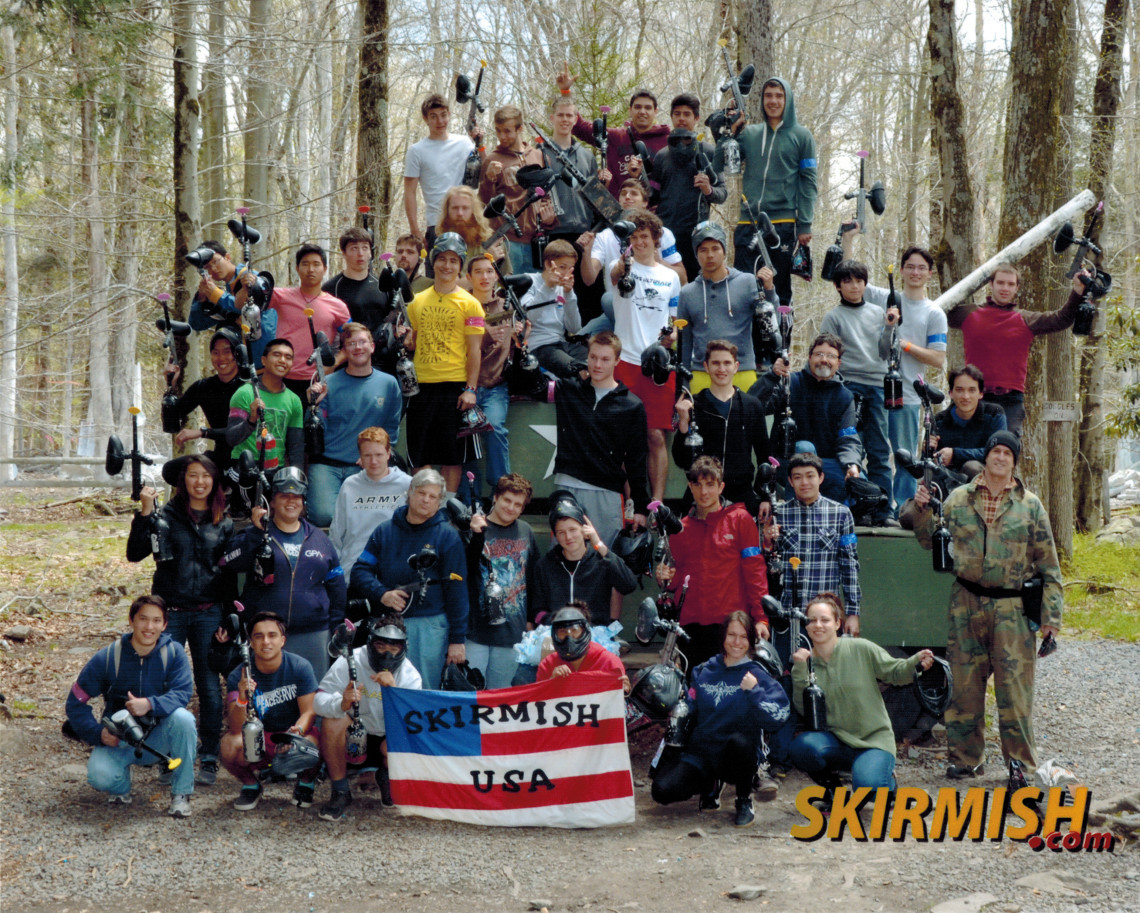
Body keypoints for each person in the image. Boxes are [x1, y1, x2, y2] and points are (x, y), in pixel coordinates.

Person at [912, 431, 1062, 779]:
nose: (1000, 457)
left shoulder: (1030, 505)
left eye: (1007, 453)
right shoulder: (957, 499)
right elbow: (927, 538)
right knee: (964, 688)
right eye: (995, 450)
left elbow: (1050, 567)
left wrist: (1051, 618)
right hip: (966, 603)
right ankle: (966, 759)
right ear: (987, 455)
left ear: (1014, 461)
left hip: (1012, 609)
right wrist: (920, 508)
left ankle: (1020, 766)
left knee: (1015, 692)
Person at [126, 455, 232, 786]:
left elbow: (229, 575)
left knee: (210, 686)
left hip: (208, 612)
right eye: (192, 475)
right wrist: (145, 512)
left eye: (206, 476)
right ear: (182, 481)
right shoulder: (164, 516)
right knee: (161, 684)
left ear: (214, 481)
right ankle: (164, 753)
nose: (199, 482)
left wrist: (229, 617)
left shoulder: (224, 522)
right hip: (170, 613)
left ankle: (210, 756)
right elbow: (135, 553)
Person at [650, 611, 790, 827]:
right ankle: (710, 785)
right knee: (662, 791)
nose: (737, 642)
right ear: (723, 637)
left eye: (743, 637)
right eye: (732, 635)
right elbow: (689, 708)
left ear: (752, 641)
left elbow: (778, 717)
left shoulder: (758, 674)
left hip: (735, 757)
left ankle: (743, 799)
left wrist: (755, 692)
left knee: (741, 741)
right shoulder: (704, 670)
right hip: (702, 754)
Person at [788, 593, 933, 801]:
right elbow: (805, 711)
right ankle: (834, 791)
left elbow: (895, 672)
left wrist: (915, 662)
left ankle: (887, 784)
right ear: (806, 625)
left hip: (873, 742)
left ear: (838, 623)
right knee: (802, 747)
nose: (818, 625)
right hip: (837, 742)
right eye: (812, 620)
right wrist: (800, 670)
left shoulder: (860, 648)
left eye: (825, 620)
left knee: (869, 790)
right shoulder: (805, 663)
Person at [65, 595, 197, 817]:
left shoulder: (173, 653)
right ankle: (120, 788)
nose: (149, 627)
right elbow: (75, 703)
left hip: (160, 738)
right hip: (121, 739)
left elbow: (182, 693)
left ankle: (181, 794)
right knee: (99, 776)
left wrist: (150, 704)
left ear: (164, 624)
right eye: (143, 619)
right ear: (131, 620)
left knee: (184, 719)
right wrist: (99, 734)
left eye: (156, 621)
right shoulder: (108, 657)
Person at [217, 467, 346, 677]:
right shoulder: (256, 533)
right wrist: (256, 533)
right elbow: (228, 562)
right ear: (272, 501)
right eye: (284, 496)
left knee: (313, 699)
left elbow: (336, 584)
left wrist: (335, 626)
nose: (291, 501)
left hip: (313, 634)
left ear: (304, 502)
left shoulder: (319, 539)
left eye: (296, 497)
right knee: (270, 699)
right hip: (266, 636)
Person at [850, 240, 948, 509]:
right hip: (873, 392)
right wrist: (849, 238)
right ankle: (874, 504)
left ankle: (904, 508)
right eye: (910, 267)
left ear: (929, 273)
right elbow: (849, 276)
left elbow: (938, 359)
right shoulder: (885, 298)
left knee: (904, 457)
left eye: (921, 268)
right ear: (902, 271)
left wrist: (904, 345)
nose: (915, 272)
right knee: (865, 452)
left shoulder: (934, 313)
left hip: (907, 396)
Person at [349, 468, 469, 688]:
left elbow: (457, 591)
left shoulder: (448, 536)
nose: (426, 500)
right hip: (387, 624)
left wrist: (457, 639)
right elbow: (360, 571)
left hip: (430, 627)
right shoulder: (384, 531)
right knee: (381, 687)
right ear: (410, 493)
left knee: (424, 690)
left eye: (433, 496)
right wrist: (382, 594)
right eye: (421, 493)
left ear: (439, 501)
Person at [655, 456, 770, 668]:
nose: (704, 492)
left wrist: (761, 618)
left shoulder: (740, 519)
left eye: (710, 484)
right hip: (690, 626)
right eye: (697, 485)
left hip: (730, 626)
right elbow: (674, 582)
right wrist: (665, 576)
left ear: (721, 486)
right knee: (696, 692)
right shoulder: (680, 529)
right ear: (690, 486)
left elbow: (755, 572)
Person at [946, 264, 1086, 435]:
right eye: (1001, 283)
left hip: (1010, 401)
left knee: (1005, 453)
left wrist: (1078, 290)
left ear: (1017, 288)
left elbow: (1061, 319)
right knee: (967, 454)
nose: (1005, 288)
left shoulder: (1025, 319)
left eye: (1011, 284)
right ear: (991, 284)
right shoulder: (969, 314)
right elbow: (938, 311)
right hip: (973, 397)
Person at [719, 77, 817, 311]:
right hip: (748, 222)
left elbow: (809, 181)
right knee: (743, 286)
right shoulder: (749, 134)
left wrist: (804, 223)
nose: (773, 101)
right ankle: (742, 346)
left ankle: (781, 345)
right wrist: (729, 133)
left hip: (782, 224)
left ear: (788, 99)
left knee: (778, 288)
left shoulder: (802, 136)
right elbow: (722, 165)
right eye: (768, 95)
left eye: (779, 96)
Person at [315, 614, 422, 820]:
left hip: (385, 739)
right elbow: (318, 702)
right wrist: (341, 703)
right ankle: (340, 790)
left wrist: (395, 693)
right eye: (381, 646)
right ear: (371, 643)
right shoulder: (349, 661)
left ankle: (384, 777)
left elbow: (413, 723)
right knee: (332, 719)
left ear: (403, 648)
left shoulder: (410, 675)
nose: (387, 654)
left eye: (394, 648)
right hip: (354, 738)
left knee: (396, 746)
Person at [402, 232, 485, 495]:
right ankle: (424, 504)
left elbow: (475, 350)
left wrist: (470, 388)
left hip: (455, 387)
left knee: (453, 456)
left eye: (453, 260)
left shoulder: (471, 304)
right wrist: (406, 340)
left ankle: (448, 506)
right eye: (441, 259)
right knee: (420, 452)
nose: (446, 266)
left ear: (460, 266)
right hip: (421, 387)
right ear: (433, 262)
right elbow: (413, 343)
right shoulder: (416, 301)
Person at [550, 331, 651, 548]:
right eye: (593, 357)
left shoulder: (632, 405)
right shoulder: (570, 389)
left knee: (602, 560)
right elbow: (529, 382)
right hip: (567, 486)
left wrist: (641, 507)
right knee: (561, 557)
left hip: (606, 492)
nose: (597, 364)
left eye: (605, 359)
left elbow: (636, 460)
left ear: (617, 361)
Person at [610, 208, 682, 502]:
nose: (640, 242)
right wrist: (622, 261)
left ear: (656, 241)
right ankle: (631, 502)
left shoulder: (671, 277)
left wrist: (671, 336)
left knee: (655, 436)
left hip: (657, 365)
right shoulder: (622, 268)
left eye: (645, 237)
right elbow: (616, 274)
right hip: (625, 360)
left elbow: (675, 323)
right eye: (635, 237)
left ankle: (658, 503)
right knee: (626, 439)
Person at [819, 258, 895, 524]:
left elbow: (885, 352)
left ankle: (884, 511)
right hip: (846, 388)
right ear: (838, 286)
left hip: (876, 386)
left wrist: (889, 327)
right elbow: (827, 355)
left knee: (879, 451)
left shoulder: (877, 312)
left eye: (859, 281)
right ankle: (856, 510)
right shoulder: (834, 316)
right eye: (847, 281)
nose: (854, 286)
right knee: (851, 449)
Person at [221, 611, 320, 811]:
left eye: (272, 635)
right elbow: (234, 728)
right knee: (228, 746)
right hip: (259, 738)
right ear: (251, 642)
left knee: (315, 743)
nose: (266, 642)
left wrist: (295, 734)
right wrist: (241, 698)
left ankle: (306, 783)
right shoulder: (239, 674)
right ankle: (251, 785)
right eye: (259, 636)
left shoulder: (300, 667)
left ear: (282, 640)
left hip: (293, 733)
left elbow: (309, 712)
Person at [305, 323, 402, 527]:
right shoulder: (327, 383)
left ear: (372, 346)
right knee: (324, 517)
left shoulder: (389, 383)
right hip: (328, 464)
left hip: (366, 465)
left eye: (362, 342)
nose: (358, 348)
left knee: (370, 518)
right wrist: (313, 403)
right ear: (345, 350)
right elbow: (314, 428)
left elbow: (391, 427)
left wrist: (374, 456)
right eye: (351, 343)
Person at [750, 333, 863, 504]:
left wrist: (852, 465)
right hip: (784, 463)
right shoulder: (790, 382)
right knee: (804, 448)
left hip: (824, 466)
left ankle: (838, 521)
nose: (824, 359)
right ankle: (795, 512)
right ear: (809, 358)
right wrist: (772, 376)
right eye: (819, 354)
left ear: (838, 363)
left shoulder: (845, 397)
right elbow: (753, 407)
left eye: (831, 356)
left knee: (858, 477)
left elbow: (848, 438)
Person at [763, 452, 861, 638]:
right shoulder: (778, 514)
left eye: (810, 476)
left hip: (825, 617)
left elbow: (850, 567)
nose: (804, 482)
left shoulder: (841, 514)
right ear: (790, 482)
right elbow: (765, 569)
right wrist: (767, 543)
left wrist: (853, 613)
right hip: (787, 614)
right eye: (798, 477)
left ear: (821, 478)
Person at [672, 341, 771, 516]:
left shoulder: (751, 405)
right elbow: (681, 460)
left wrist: (765, 497)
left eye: (727, 363)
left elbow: (765, 455)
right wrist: (684, 423)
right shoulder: (693, 405)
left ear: (736, 367)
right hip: (702, 492)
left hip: (741, 493)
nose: (721, 369)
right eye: (716, 363)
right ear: (706, 367)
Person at [463, 473, 540, 690]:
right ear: (496, 497)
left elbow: (533, 577)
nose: (511, 507)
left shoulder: (526, 531)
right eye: (507, 500)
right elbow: (463, 570)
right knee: (472, 692)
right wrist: (475, 536)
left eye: (518, 504)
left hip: (511, 632)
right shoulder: (475, 527)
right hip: (476, 630)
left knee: (501, 696)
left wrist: (531, 620)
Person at [676, 222, 769, 393]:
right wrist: (684, 382)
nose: (709, 255)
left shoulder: (747, 282)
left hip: (742, 371)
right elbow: (685, 341)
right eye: (703, 250)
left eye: (715, 248)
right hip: (701, 373)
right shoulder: (687, 293)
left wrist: (769, 289)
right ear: (696, 254)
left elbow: (771, 320)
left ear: (724, 251)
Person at [542, 94, 611, 317]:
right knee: (557, 289)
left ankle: (586, 339)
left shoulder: (587, 156)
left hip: (584, 233)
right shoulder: (541, 153)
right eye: (560, 115)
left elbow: (594, 199)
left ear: (575, 119)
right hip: (556, 233)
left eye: (569, 115)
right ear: (552, 118)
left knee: (588, 290)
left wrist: (602, 184)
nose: (565, 119)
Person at [557, 64, 671, 197]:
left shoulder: (666, 141)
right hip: (616, 210)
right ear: (630, 110)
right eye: (638, 107)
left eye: (648, 108)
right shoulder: (615, 137)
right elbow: (579, 126)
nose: (642, 112)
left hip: (651, 212)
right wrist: (566, 93)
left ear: (655, 111)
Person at [464, 254, 524, 498]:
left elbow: (520, 343)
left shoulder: (507, 307)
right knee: (465, 437)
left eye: (489, 272)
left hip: (495, 385)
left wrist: (520, 333)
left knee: (495, 427)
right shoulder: (463, 305)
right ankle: (468, 497)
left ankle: (501, 489)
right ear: (469, 277)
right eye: (478, 272)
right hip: (466, 386)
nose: (485, 277)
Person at [531, 491, 638, 626]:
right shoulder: (545, 565)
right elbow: (537, 611)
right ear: (555, 536)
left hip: (595, 635)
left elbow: (628, 585)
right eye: (561, 532)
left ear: (584, 530)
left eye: (573, 530)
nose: (568, 537)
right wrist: (557, 620)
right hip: (558, 635)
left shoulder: (601, 561)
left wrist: (599, 545)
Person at [652, 96, 727, 281]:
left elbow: (722, 193)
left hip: (697, 234)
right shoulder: (662, 156)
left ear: (696, 119)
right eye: (677, 114)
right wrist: (638, 177)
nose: (682, 119)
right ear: (671, 117)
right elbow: (652, 196)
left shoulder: (708, 152)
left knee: (697, 285)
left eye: (687, 114)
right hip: (666, 234)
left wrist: (708, 189)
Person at [267, 243, 351, 400]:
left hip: (316, 380)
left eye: (316, 264)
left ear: (325, 269)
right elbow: (249, 301)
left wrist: (333, 363)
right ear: (297, 268)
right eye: (305, 264)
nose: (310, 269)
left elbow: (351, 340)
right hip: (281, 376)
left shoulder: (337, 306)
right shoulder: (280, 297)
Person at [478, 105, 555, 272]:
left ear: (520, 129)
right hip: (507, 240)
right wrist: (489, 179)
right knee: (509, 293)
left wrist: (550, 220)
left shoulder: (539, 157)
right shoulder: (492, 159)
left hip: (536, 242)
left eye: (507, 131)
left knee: (535, 294)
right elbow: (484, 203)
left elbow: (547, 197)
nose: (501, 136)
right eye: (498, 131)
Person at [329, 427, 411, 580]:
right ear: (360, 457)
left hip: (392, 570)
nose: (373, 462)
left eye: (379, 455)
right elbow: (336, 534)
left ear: (388, 454)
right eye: (367, 455)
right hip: (353, 568)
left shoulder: (407, 485)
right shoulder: (350, 485)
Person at [404, 93, 478, 259]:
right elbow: (409, 191)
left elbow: (481, 173)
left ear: (449, 115)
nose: (440, 121)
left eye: (444, 115)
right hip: (437, 225)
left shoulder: (465, 143)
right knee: (438, 277)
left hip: (466, 221)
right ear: (426, 119)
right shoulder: (417, 151)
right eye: (434, 117)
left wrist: (479, 142)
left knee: (471, 276)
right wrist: (414, 229)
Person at [164, 327, 245, 478]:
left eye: (227, 351)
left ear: (237, 354)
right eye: (215, 352)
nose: (221, 358)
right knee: (171, 470)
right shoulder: (205, 387)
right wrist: (171, 385)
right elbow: (171, 422)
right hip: (219, 458)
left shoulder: (247, 387)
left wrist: (202, 432)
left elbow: (241, 431)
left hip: (244, 458)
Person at [225, 337, 305, 472]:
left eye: (288, 357)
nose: (282, 360)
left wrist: (296, 477)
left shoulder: (294, 400)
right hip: (244, 467)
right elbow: (231, 438)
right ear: (263, 361)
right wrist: (251, 421)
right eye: (277, 355)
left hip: (276, 469)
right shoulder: (245, 393)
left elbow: (295, 445)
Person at [323, 227, 391, 360]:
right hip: (345, 360)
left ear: (370, 253)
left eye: (365, 248)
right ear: (344, 252)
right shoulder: (331, 289)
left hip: (381, 360)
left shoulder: (383, 285)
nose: (360, 253)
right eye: (354, 248)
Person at [931, 365, 1008, 479]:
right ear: (951, 393)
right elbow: (927, 464)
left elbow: (999, 452)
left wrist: (955, 454)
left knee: (971, 467)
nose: (966, 396)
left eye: (972, 390)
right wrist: (928, 450)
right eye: (959, 390)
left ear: (980, 393)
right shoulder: (940, 420)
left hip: (986, 479)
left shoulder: (994, 414)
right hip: (949, 479)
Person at [523, 239, 585, 379]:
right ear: (547, 264)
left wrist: (568, 294)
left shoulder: (564, 288)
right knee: (576, 370)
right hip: (539, 345)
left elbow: (575, 328)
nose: (566, 273)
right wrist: (548, 287)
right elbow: (528, 318)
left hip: (561, 343)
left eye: (570, 268)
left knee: (594, 362)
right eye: (562, 267)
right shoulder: (529, 282)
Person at [536, 603, 630, 693]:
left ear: (585, 631)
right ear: (554, 635)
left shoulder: (609, 662)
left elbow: (616, 704)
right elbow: (537, 702)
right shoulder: (547, 665)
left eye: (575, 630)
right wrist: (551, 683)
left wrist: (624, 691)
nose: (569, 637)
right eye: (562, 631)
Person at [435, 185, 508, 276]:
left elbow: (507, 278)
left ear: (474, 211)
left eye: (465, 208)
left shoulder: (492, 242)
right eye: (455, 208)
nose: (460, 213)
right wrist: (488, 261)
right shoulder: (441, 244)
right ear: (447, 211)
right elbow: (449, 286)